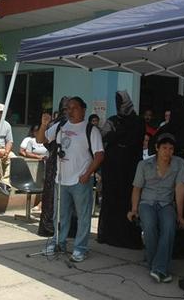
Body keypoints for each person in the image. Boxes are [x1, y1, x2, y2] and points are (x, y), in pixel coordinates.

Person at [37, 96, 104, 262]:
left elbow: (99, 155)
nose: (70, 111)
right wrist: (44, 124)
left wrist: (87, 174)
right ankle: (58, 242)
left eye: (74, 108)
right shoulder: (61, 125)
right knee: (59, 216)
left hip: (80, 180)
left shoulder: (91, 130)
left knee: (83, 216)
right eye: (68, 108)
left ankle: (80, 248)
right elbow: (41, 140)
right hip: (61, 180)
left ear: (83, 110)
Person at [128, 133, 184, 283]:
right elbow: (137, 188)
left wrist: (180, 215)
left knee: (169, 227)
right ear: (157, 148)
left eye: (171, 148)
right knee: (149, 226)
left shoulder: (179, 163)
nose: (167, 151)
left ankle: (158, 267)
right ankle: (159, 267)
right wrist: (134, 209)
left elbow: (180, 189)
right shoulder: (144, 165)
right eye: (164, 148)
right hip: (146, 202)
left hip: (166, 203)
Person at [149, 95, 184, 259]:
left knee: (180, 209)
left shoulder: (175, 130)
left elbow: (157, 146)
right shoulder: (181, 129)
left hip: (179, 172)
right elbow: (152, 147)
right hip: (167, 174)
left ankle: (176, 247)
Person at [98, 91, 145, 249]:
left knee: (129, 200)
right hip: (112, 168)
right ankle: (109, 235)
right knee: (111, 199)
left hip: (130, 168)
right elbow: (103, 136)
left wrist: (117, 135)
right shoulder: (113, 120)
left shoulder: (138, 121)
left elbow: (134, 140)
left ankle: (127, 237)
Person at [38, 96, 70, 237]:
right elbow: (41, 140)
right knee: (51, 197)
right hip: (53, 165)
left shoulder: (75, 124)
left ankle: (66, 228)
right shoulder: (55, 125)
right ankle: (49, 227)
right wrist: (44, 124)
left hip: (69, 166)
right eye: (65, 109)